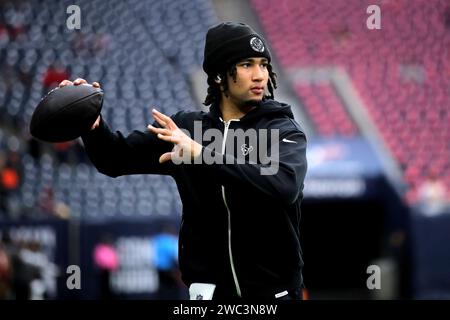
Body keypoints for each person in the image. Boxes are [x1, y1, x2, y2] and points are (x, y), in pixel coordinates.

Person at [59, 22, 308, 300]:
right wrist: (92, 126)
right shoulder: (186, 130)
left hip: (275, 295)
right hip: (207, 295)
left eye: (263, 64)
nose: (259, 75)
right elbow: (115, 160)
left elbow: (283, 186)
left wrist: (202, 155)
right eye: (247, 64)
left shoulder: (282, 130)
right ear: (218, 75)